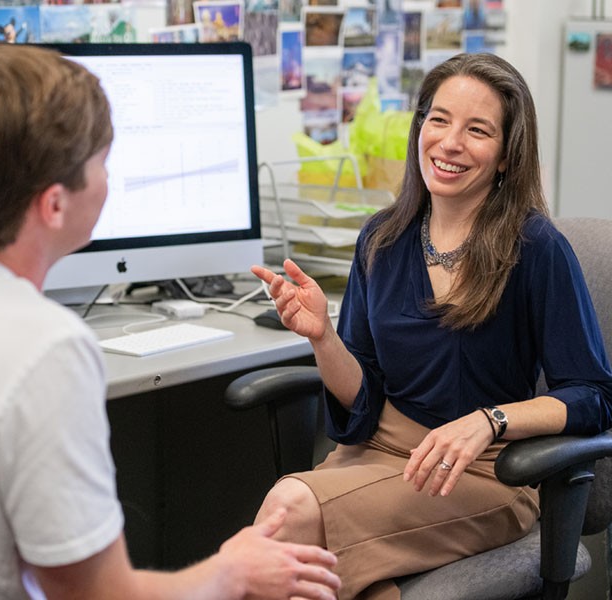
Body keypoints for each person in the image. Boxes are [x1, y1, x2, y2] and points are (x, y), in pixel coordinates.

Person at [0, 44, 341, 600]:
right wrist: (232, 570)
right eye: (102, 162)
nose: (111, 180)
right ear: (55, 206)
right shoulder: (43, 349)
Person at [251, 52, 612, 600]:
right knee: (309, 580)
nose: (449, 142)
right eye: (438, 120)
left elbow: (594, 396)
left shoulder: (537, 249)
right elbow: (363, 398)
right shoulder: (382, 239)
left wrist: (491, 421)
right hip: (380, 452)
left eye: (477, 130)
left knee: (285, 514)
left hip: (485, 471)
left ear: (506, 157)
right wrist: (322, 337)